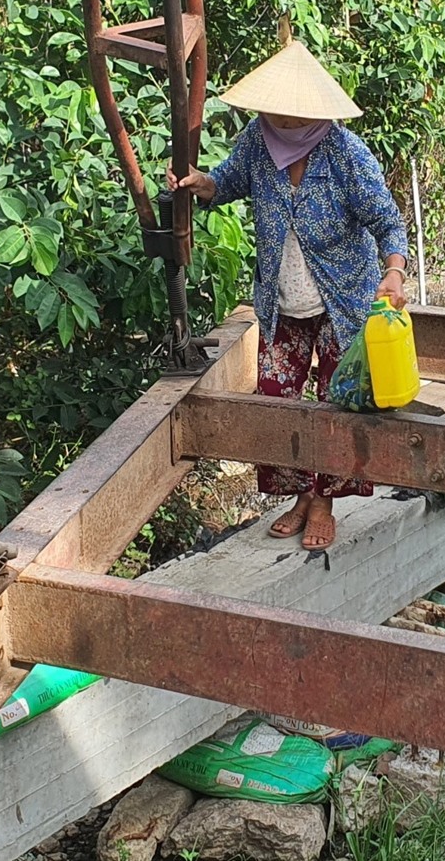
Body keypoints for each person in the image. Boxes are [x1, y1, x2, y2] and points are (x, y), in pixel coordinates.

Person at [168, 41, 410, 551]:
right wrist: (199, 182)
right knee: (277, 401)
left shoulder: (346, 153)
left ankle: (323, 499)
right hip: (283, 300)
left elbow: (387, 220)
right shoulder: (259, 141)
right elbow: (229, 180)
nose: (274, 118)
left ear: (309, 113)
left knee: (335, 403)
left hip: (344, 302)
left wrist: (394, 273)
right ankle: (300, 491)